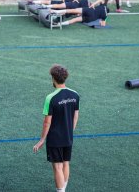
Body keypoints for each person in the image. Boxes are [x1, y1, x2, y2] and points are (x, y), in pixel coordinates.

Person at [33, 64, 79, 192]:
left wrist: (42, 139)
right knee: (66, 162)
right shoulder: (75, 95)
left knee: (57, 167)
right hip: (68, 136)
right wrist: (70, 131)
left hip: (55, 138)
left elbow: (47, 122)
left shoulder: (51, 98)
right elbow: (76, 116)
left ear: (53, 78)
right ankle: (63, 189)